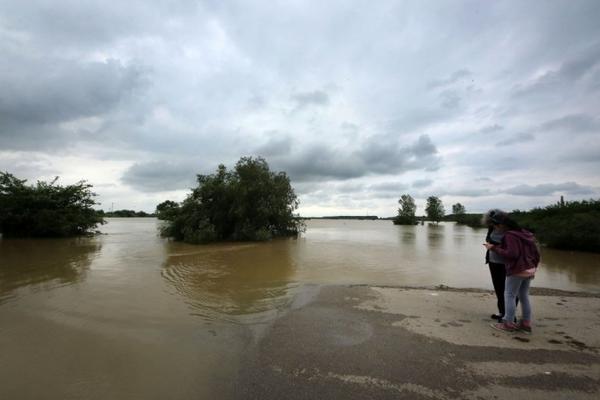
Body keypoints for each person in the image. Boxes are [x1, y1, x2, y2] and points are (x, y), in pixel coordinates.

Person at [484, 213, 540, 333]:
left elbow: (512, 254)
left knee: (509, 295)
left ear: (502, 225)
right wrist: (534, 267)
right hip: (529, 269)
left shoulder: (510, 235)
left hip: (517, 270)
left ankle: (508, 323)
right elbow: (536, 253)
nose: (496, 228)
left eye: (496, 225)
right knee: (524, 296)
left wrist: (492, 248)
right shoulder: (525, 233)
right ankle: (526, 324)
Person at [482, 209, 515, 322]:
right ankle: (502, 312)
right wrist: (490, 245)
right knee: (499, 289)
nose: (492, 225)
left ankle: (510, 316)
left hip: (508, 263)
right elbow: (488, 238)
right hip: (493, 262)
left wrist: (494, 247)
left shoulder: (511, 231)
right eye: (490, 223)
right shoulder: (491, 228)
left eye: (494, 223)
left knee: (510, 291)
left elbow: (512, 249)